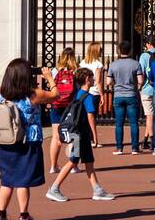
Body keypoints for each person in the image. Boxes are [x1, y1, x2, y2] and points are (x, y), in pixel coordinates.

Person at [0, 59, 59, 220]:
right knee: (23, 180)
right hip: (28, 140)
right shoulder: (33, 94)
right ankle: (24, 215)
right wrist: (49, 77)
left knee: (7, 180)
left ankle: (1, 215)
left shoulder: (1, 92)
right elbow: (55, 95)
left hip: (6, 140)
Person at [46, 67, 116, 203]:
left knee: (89, 162)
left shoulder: (77, 94)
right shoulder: (88, 97)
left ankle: (97, 189)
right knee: (73, 161)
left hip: (78, 134)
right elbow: (90, 117)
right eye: (91, 78)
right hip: (81, 135)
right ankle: (54, 188)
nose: (94, 80)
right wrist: (95, 136)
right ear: (87, 80)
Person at [107, 40, 143, 154]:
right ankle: (135, 148)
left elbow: (108, 81)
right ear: (130, 50)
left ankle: (119, 148)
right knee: (134, 122)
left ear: (119, 51)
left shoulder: (113, 64)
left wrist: (116, 84)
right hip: (131, 94)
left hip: (118, 95)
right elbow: (140, 80)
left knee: (119, 123)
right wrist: (136, 87)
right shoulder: (136, 64)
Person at [48, 48, 79, 173]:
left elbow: (52, 87)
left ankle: (53, 166)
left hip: (56, 105)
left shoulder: (55, 71)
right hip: (70, 107)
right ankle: (73, 166)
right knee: (73, 136)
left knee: (56, 137)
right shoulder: (76, 71)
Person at [79, 43, 105, 147]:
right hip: (94, 92)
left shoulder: (82, 63)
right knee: (92, 116)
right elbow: (98, 81)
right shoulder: (98, 64)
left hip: (83, 91)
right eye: (100, 50)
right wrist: (102, 95)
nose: (101, 52)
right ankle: (93, 139)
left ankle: (87, 139)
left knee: (84, 116)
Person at [138, 34, 155, 150]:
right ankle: (145, 141)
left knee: (149, 116)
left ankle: (153, 142)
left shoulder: (144, 55)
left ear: (148, 44)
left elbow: (141, 72)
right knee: (151, 116)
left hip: (146, 88)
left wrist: (139, 86)